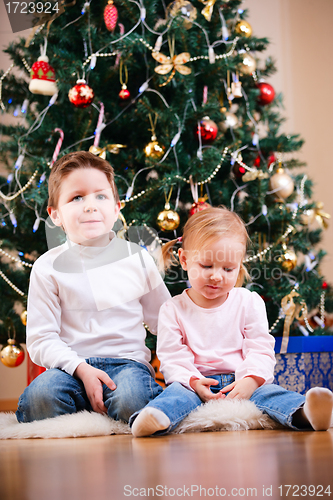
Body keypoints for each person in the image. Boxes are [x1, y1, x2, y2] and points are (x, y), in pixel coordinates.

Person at [130, 207, 333, 437]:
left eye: (228, 269)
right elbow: (172, 355)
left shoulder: (248, 302)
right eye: (206, 266)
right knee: (174, 396)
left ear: (239, 266)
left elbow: (260, 348)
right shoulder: (172, 309)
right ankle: (156, 417)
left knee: (273, 395)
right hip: (194, 384)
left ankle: (306, 412)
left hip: (241, 380)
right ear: (185, 260)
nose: (217, 276)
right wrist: (194, 381)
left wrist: (251, 381)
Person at [16, 151, 170, 423]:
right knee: (39, 399)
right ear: (55, 215)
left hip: (127, 365)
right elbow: (41, 340)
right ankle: (86, 409)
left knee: (131, 401)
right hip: (70, 368)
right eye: (77, 198)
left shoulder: (137, 258)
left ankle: (112, 409)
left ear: (116, 208)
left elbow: (167, 321)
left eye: (101, 196)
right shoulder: (47, 266)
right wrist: (80, 369)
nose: (90, 206)